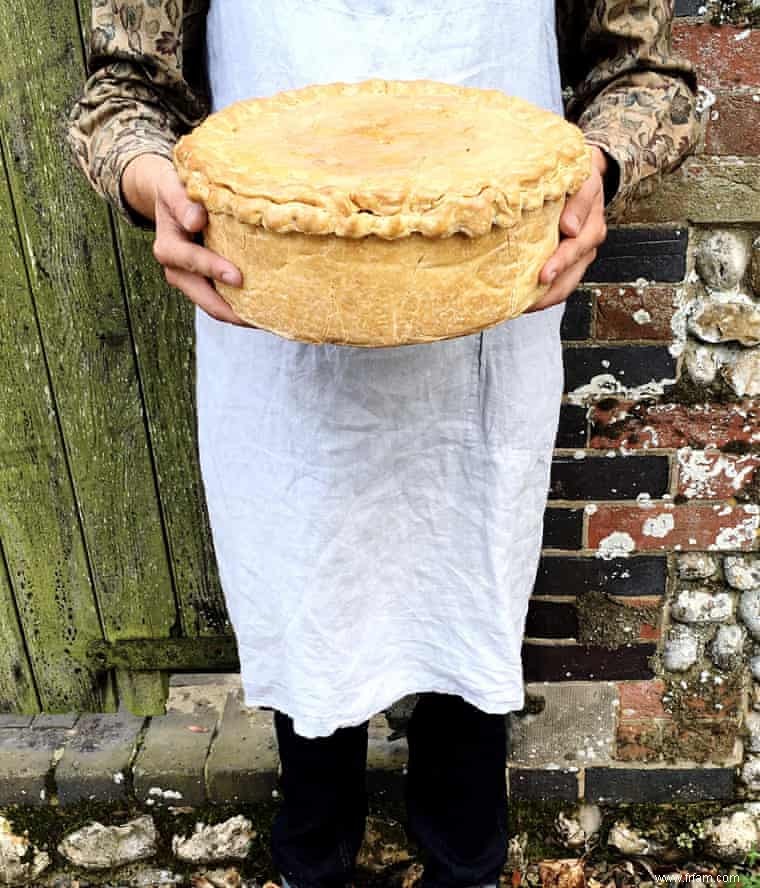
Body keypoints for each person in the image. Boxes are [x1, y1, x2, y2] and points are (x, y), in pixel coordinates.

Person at [67, 3, 698, 887]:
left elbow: (650, 79)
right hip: (273, 309)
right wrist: (146, 179)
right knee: (310, 607)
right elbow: (120, 95)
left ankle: (465, 859)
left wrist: (598, 164)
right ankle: (313, 859)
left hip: (488, 301)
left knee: (465, 606)